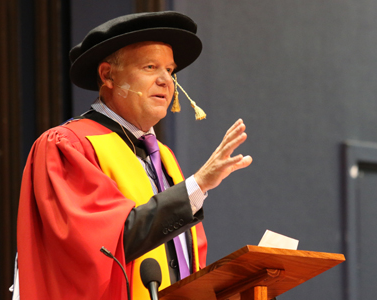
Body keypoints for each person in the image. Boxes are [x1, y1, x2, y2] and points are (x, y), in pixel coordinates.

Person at [14, 11, 252, 300]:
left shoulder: (162, 156)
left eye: (170, 70)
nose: (166, 80)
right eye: (150, 67)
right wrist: (198, 185)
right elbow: (108, 243)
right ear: (108, 75)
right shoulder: (67, 146)